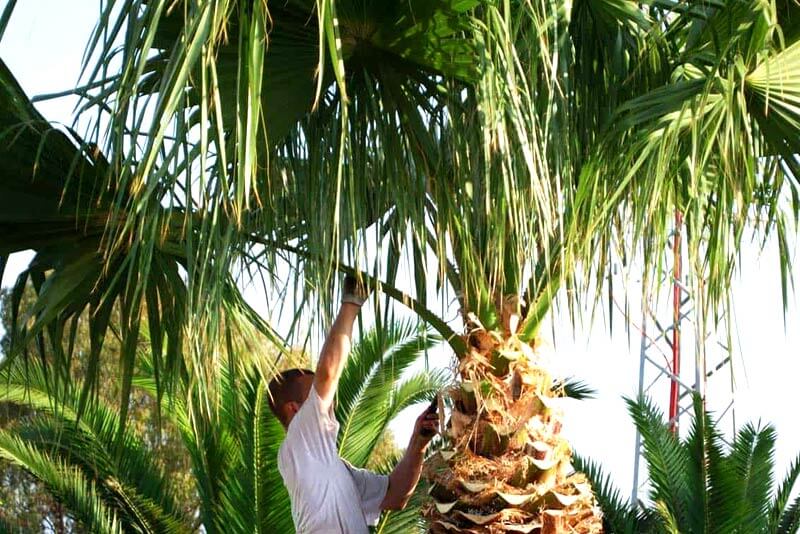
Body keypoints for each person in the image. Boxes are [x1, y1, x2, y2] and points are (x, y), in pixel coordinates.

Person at [268, 275, 439, 533]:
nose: (330, 398)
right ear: (293, 409)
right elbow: (327, 374)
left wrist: (418, 443)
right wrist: (352, 301)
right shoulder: (297, 441)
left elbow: (395, 494)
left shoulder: (338, 471)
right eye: (315, 393)